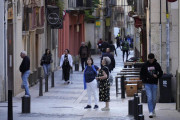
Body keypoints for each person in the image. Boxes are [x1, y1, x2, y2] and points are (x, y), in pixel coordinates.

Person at [140, 53, 163, 118]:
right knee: (149, 98)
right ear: (148, 59)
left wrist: (157, 76)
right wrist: (147, 77)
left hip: (154, 83)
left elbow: (161, 72)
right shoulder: (145, 65)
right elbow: (141, 74)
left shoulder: (156, 64)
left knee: (154, 99)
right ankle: (150, 111)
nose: (151, 61)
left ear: (153, 59)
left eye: (152, 60)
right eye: (150, 60)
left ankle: (153, 109)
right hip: (147, 84)